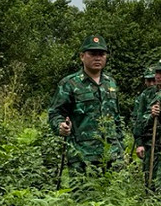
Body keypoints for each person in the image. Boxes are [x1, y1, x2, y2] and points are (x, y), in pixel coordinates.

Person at [48, 35, 125, 182]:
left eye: (101, 54)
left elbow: (116, 117)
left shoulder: (110, 83)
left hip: (112, 154)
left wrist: (121, 146)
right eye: (92, 54)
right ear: (82, 56)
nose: (98, 58)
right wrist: (60, 126)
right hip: (82, 155)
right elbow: (55, 112)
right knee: (83, 194)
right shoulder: (70, 84)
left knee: (114, 194)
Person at [133, 58, 161, 190]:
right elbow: (139, 119)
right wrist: (139, 143)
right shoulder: (147, 94)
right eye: (156, 73)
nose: (158, 76)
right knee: (150, 179)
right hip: (151, 142)